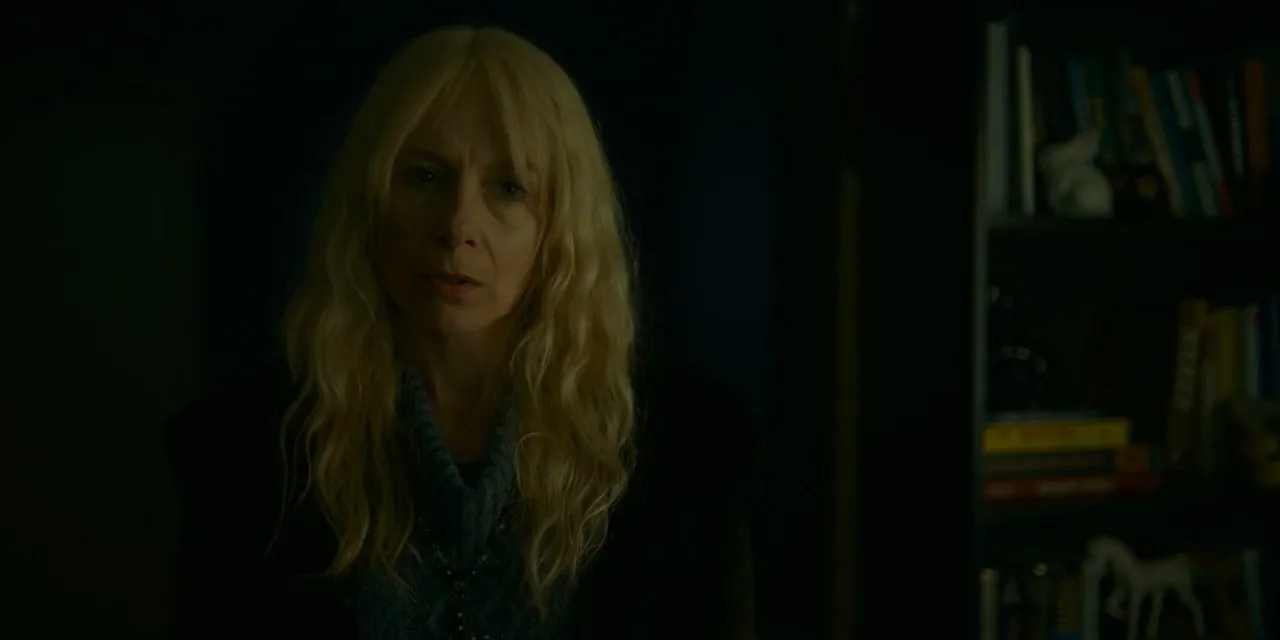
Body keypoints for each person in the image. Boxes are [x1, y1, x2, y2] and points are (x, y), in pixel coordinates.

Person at [166, 25, 759, 640]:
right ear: (371, 200)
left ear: (559, 228)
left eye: (509, 188)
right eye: (424, 176)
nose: (457, 225)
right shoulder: (246, 457)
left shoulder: (687, 456)